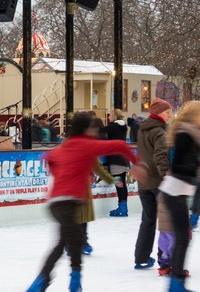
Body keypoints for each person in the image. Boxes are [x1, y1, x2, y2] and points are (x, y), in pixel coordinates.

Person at [25, 111, 138, 292]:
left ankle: (55, 280)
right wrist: (137, 164)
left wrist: (64, 172)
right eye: (94, 128)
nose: (96, 132)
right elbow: (120, 146)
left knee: (64, 241)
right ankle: (63, 280)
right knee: (74, 239)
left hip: (59, 203)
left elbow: (47, 157)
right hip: (65, 203)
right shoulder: (87, 145)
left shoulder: (66, 145)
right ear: (87, 129)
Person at [158, 100, 200, 292]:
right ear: (196, 116)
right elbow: (179, 166)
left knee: (183, 237)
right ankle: (176, 283)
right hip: (174, 191)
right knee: (182, 238)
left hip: (179, 191)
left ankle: (176, 282)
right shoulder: (185, 135)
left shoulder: (196, 135)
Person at [133, 98, 172, 270]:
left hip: (145, 183)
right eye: (167, 112)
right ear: (158, 113)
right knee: (167, 221)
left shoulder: (142, 130)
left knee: (147, 220)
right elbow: (160, 157)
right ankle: (165, 256)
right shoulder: (159, 132)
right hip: (158, 182)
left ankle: (141, 257)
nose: (170, 115)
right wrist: (168, 177)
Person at [105, 109, 131, 217]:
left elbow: (100, 131)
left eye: (110, 116)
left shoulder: (113, 127)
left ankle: (122, 208)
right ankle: (123, 207)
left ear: (115, 116)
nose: (109, 118)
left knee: (119, 184)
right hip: (124, 158)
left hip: (116, 158)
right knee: (122, 183)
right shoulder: (123, 127)